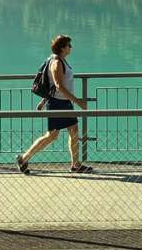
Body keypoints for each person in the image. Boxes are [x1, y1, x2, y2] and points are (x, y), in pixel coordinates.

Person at [16, 34, 94, 174]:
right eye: (69, 45)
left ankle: (75, 165)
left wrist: (43, 101)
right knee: (52, 135)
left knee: (74, 131)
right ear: (62, 48)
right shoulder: (57, 62)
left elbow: (51, 85)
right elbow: (58, 86)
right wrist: (78, 102)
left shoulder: (60, 60)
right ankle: (24, 158)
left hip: (64, 103)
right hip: (58, 103)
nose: (71, 47)